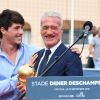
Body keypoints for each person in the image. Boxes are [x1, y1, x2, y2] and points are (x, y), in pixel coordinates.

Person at [17, 11, 83, 97]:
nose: (49, 32)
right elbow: (32, 91)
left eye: (54, 28)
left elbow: (76, 93)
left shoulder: (72, 56)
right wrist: (27, 89)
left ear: (61, 31)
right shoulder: (36, 56)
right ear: (40, 31)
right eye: (45, 28)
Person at [0, 9, 38, 99]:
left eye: (22, 27)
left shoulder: (33, 52)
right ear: (3, 30)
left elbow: (52, 57)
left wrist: (69, 52)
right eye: (16, 28)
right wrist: (22, 74)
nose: (21, 32)